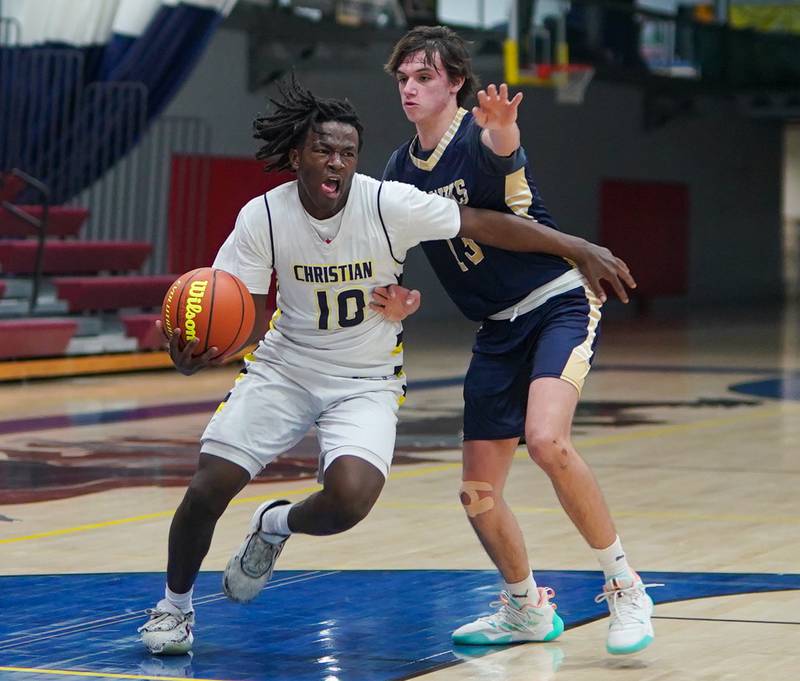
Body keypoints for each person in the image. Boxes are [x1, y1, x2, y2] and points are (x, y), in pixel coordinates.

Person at [138, 77, 631, 656]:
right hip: (286, 368)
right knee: (209, 484)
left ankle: (275, 524)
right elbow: (240, 309)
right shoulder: (262, 217)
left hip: (365, 380)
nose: (337, 162)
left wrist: (577, 247)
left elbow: (481, 223)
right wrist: (204, 353)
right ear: (297, 155)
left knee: (349, 499)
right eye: (324, 150)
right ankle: (173, 610)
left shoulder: (384, 200)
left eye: (348, 152)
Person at [381, 25, 659, 655]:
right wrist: (402, 295)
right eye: (403, 79)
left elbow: (503, 152)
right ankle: (524, 606)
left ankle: (626, 587)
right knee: (477, 493)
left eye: (424, 77)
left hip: (557, 300)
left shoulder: (478, 138)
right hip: (496, 328)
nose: (410, 88)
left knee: (546, 441)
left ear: (455, 83)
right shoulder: (399, 168)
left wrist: (504, 126)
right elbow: (390, 245)